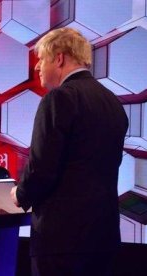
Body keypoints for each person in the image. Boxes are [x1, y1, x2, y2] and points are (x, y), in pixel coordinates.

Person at [10, 28, 128, 276]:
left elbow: (42, 168)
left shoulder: (59, 99)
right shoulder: (112, 101)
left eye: (41, 59)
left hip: (62, 241)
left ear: (60, 58)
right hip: (103, 238)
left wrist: (20, 194)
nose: (37, 67)